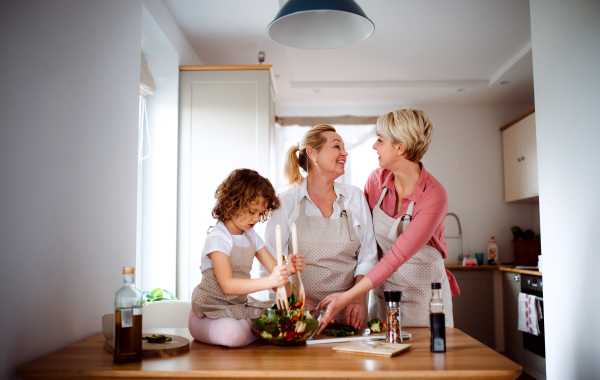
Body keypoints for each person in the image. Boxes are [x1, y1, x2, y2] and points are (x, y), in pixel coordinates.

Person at [318, 109, 460, 331]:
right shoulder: (376, 181)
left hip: (425, 297)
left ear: (400, 147)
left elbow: (396, 256)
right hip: (384, 291)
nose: (374, 146)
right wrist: (358, 296)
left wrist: (348, 296)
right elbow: (365, 243)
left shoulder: (434, 196)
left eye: (380, 140)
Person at [265, 125, 377, 329]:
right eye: (336, 146)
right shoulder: (286, 200)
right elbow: (270, 261)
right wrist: (297, 301)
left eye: (343, 147)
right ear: (312, 153)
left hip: (350, 314)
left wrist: (357, 299)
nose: (345, 152)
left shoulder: (355, 197)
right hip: (298, 316)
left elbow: (368, 255)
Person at [189, 169, 304, 347]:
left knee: (274, 315)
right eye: (252, 212)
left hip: (236, 308)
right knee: (234, 334)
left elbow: (274, 270)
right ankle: (255, 331)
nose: (257, 218)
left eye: (260, 213)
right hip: (208, 313)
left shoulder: (251, 236)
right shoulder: (218, 238)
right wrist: (269, 280)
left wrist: (287, 269)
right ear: (232, 202)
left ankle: (251, 329)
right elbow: (228, 285)